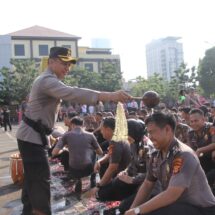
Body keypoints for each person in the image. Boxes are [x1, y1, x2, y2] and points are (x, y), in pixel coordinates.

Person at [16, 46, 131, 215]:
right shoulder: (47, 80)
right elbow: (73, 93)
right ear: (51, 62)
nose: (67, 68)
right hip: (32, 138)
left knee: (32, 182)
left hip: (33, 136)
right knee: (40, 184)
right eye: (64, 63)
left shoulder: (49, 80)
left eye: (69, 65)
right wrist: (110, 95)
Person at [125, 112, 215, 215]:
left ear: (167, 129)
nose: (150, 137)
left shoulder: (183, 154)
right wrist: (133, 209)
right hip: (179, 205)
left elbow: (172, 194)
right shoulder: (156, 155)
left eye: (152, 132)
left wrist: (138, 210)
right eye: (148, 133)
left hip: (201, 209)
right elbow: (147, 184)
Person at [52, 116, 103, 193]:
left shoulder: (66, 135)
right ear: (82, 125)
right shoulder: (90, 135)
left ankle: (77, 179)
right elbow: (100, 152)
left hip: (74, 169)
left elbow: (54, 153)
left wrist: (65, 149)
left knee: (66, 152)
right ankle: (93, 179)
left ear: (72, 125)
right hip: (88, 168)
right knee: (93, 153)